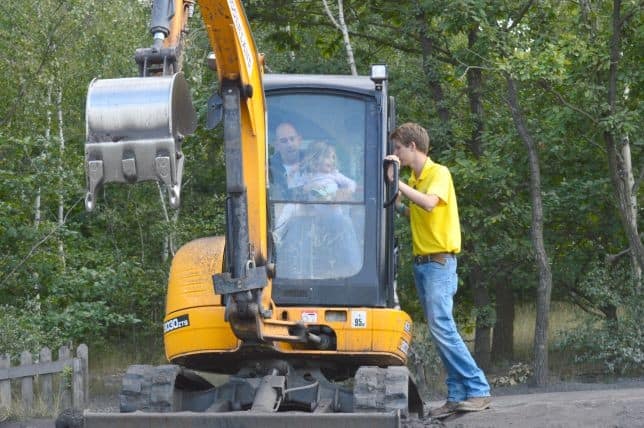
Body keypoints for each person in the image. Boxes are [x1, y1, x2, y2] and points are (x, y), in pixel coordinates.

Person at [385, 122, 491, 419]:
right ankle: (457, 395)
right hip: (424, 264)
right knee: (439, 330)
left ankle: (478, 388)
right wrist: (394, 191)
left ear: (413, 146)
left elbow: (430, 204)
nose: (396, 154)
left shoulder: (438, 173)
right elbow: (411, 212)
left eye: (398, 149)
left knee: (443, 328)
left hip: (439, 263)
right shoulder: (415, 179)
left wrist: (398, 185)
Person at [269, 122, 304, 199]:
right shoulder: (269, 169)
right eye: (284, 141)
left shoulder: (314, 162)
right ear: (276, 145)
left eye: (292, 139)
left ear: (299, 140)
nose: (290, 144)